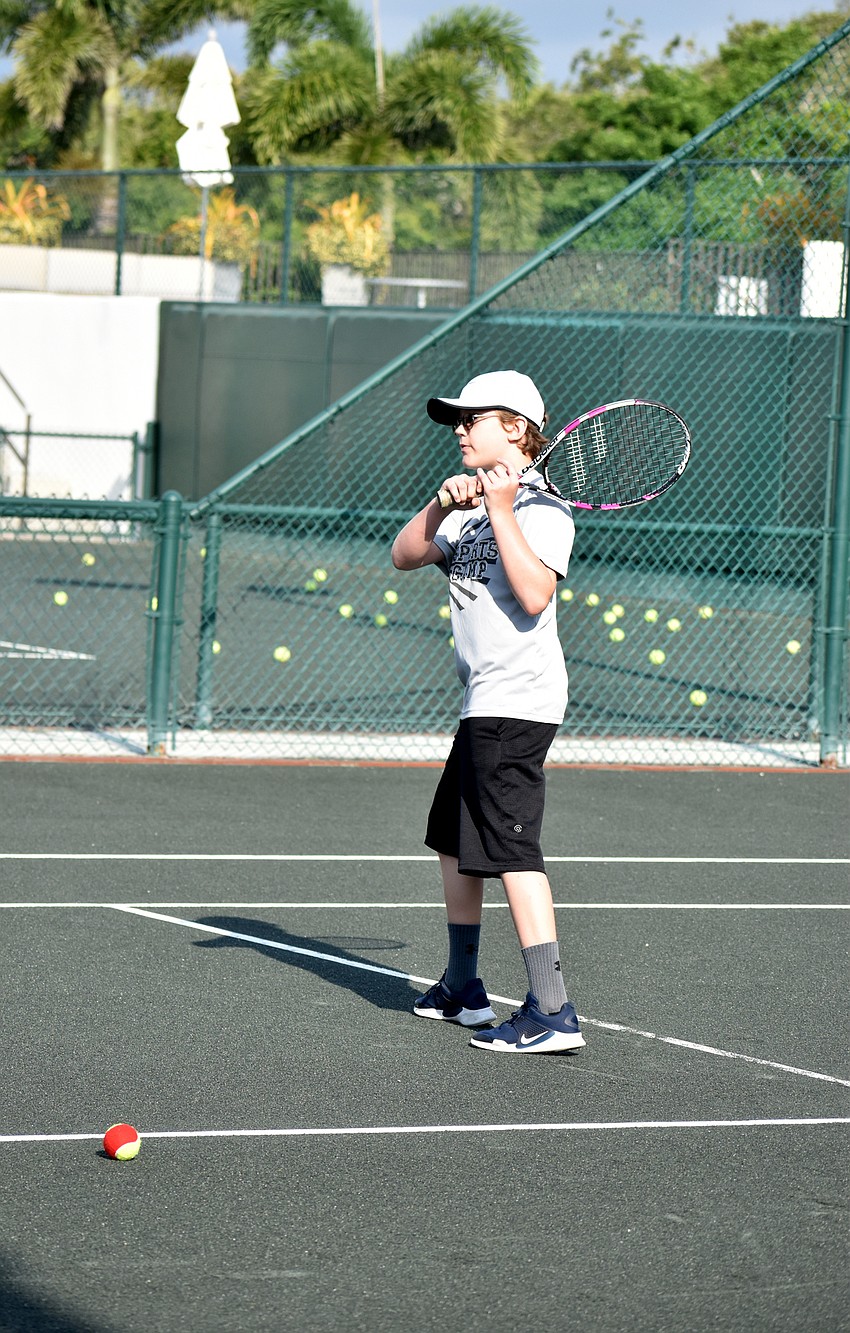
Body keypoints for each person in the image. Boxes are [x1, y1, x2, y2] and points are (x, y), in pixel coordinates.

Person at [390, 370, 585, 1054]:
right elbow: (404, 554)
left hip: (518, 703)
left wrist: (501, 507)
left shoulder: (544, 509)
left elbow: (533, 595)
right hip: (483, 703)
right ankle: (463, 987)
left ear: (515, 428)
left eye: (472, 418)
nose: (459, 429)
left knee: (512, 851)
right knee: (454, 840)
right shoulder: (469, 508)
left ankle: (553, 1009)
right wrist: (444, 507)